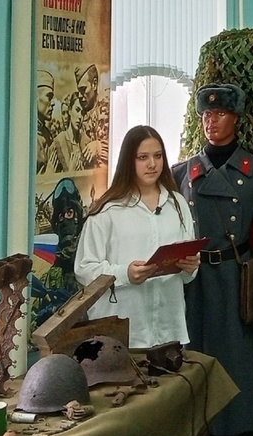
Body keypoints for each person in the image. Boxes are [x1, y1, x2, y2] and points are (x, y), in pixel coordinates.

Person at [172, 83, 253, 436]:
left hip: (236, 285)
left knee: (239, 380)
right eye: (206, 114)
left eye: (220, 113)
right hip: (193, 285)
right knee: (194, 375)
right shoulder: (181, 173)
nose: (212, 121)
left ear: (236, 117)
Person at [74, 125, 199, 349]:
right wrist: (125, 273)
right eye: (143, 157)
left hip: (168, 330)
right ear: (128, 161)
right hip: (121, 333)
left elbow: (187, 276)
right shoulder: (108, 210)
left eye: (158, 156)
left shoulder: (177, 204)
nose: (152, 164)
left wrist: (190, 266)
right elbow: (84, 269)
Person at [48, 92, 94, 172]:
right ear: (69, 110)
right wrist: (70, 172)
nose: (80, 117)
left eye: (82, 113)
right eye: (77, 110)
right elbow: (51, 176)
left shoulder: (86, 143)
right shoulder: (58, 143)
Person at [35, 69, 55, 174]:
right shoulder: (24, 136)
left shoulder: (48, 135)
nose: (53, 103)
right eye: (49, 97)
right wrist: (48, 175)